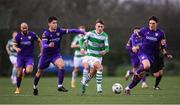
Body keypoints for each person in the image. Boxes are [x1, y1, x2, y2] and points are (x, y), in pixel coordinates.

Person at [33, 16, 85, 95]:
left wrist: (82, 32)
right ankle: (35, 87)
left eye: (56, 23)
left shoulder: (59, 31)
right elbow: (44, 45)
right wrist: (49, 45)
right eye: (53, 23)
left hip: (55, 54)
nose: (55, 24)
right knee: (39, 72)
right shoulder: (46, 33)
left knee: (62, 65)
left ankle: (60, 86)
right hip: (45, 56)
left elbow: (71, 30)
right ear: (49, 24)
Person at [124, 16, 172, 95]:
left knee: (142, 75)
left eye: (153, 23)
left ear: (157, 24)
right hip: (142, 52)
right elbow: (133, 35)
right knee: (146, 66)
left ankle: (128, 88)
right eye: (150, 23)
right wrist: (134, 46)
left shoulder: (161, 33)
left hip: (152, 56)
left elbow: (163, 46)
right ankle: (136, 72)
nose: (151, 25)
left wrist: (166, 54)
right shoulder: (144, 30)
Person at [80, 19, 109, 94]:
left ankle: (84, 82)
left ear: (103, 27)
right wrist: (82, 48)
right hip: (90, 56)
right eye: (98, 26)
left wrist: (105, 51)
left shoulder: (105, 36)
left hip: (99, 57)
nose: (100, 28)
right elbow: (81, 40)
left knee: (92, 74)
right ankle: (99, 88)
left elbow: (107, 47)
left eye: (101, 26)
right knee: (100, 68)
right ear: (95, 26)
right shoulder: (90, 33)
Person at [13, 22, 42, 94]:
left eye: (26, 28)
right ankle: (18, 88)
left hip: (29, 57)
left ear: (28, 27)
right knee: (19, 72)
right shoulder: (18, 36)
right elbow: (14, 45)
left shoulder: (32, 34)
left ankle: (24, 72)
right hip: (20, 57)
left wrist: (42, 51)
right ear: (21, 28)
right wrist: (16, 48)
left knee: (29, 71)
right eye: (23, 28)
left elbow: (39, 41)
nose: (25, 29)